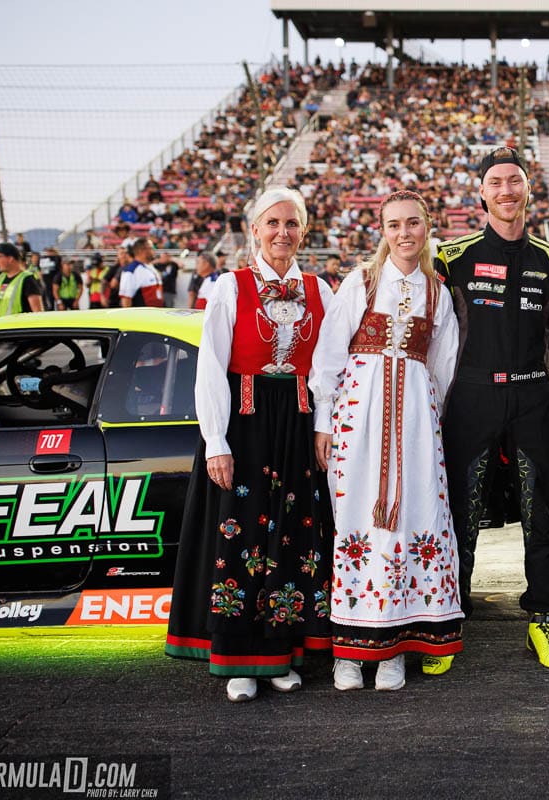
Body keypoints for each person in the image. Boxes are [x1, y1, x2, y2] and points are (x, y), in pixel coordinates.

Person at [164, 187, 335, 702]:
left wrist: (324, 424)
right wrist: (215, 440)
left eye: (292, 223)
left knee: (293, 541)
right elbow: (211, 365)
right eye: (273, 223)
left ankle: (281, 656)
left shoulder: (320, 288)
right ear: (255, 230)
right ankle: (239, 661)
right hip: (246, 421)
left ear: (303, 231)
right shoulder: (229, 287)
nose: (283, 232)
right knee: (239, 541)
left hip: (299, 426)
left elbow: (327, 369)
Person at [311, 191, 463, 692]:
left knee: (412, 520)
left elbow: (442, 367)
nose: (404, 233)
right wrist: (326, 421)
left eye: (413, 223)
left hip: (415, 425)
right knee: (356, 522)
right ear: (383, 230)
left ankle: (394, 648)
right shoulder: (361, 282)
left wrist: (422, 420)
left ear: (427, 227)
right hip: (360, 418)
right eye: (394, 224)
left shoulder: (438, 294)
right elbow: (329, 356)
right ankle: (349, 655)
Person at [435, 146, 549, 673]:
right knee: (459, 512)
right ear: (482, 193)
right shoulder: (451, 257)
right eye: (496, 182)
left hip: (535, 396)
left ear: (528, 190)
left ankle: (543, 618)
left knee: (544, 512)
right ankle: (448, 617)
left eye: (515, 181)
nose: (506, 191)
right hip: (472, 396)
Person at [0, 242, 44, 316]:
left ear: (10, 258)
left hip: (18, 326)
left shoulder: (27, 279)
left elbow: (38, 312)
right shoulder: (0, 278)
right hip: (0, 326)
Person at [119, 238, 165, 307]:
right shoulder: (131, 270)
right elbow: (126, 299)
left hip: (156, 313)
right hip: (143, 315)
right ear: (141, 251)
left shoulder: (150, 266)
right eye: (151, 248)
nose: (154, 251)